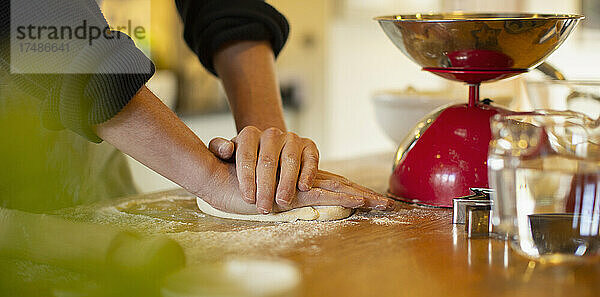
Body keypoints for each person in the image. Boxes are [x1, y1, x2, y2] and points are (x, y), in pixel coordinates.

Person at [0, 0, 394, 214]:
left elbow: (225, 7)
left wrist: (263, 161)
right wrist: (210, 178)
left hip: (92, 181)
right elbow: (39, 21)